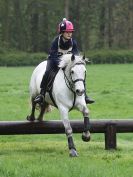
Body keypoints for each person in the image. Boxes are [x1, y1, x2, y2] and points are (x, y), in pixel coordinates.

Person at [34, 18, 94, 104]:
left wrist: (74, 63)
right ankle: (42, 94)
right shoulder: (55, 41)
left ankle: (85, 96)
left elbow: (76, 55)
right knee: (47, 72)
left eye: (71, 32)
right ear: (62, 32)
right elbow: (54, 55)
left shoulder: (73, 42)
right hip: (54, 61)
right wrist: (60, 64)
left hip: (67, 63)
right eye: (67, 32)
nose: (70, 34)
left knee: (79, 74)